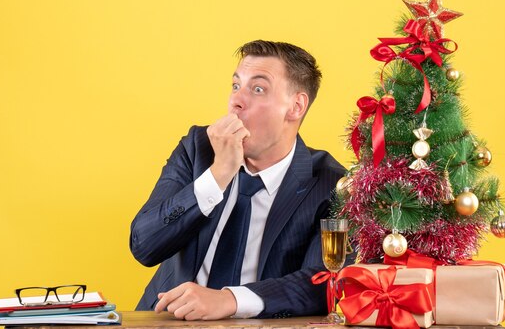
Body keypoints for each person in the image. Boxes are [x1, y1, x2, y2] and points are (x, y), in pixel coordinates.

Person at [130, 40, 345, 320]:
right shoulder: (198, 148)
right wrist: (217, 175)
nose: (236, 101)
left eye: (258, 89)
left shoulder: (332, 183)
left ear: (296, 106)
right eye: (235, 86)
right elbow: (144, 245)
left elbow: (323, 281)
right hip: (169, 322)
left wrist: (230, 300)